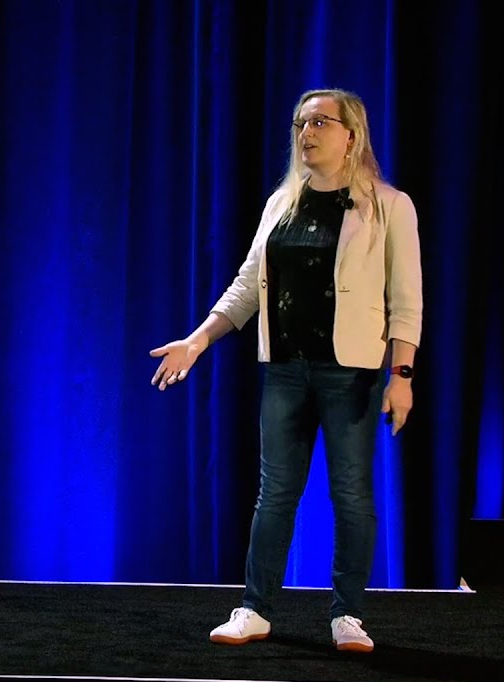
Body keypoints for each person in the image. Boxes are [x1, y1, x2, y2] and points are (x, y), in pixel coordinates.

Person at [149, 88, 422, 653]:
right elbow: (248, 285)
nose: (308, 132)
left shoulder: (389, 205)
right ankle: (254, 607)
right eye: (301, 122)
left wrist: (402, 374)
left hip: (352, 374)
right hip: (285, 370)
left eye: (322, 122)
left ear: (352, 135)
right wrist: (197, 342)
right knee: (275, 493)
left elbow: (407, 299)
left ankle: (347, 615)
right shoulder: (282, 204)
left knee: (351, 494)